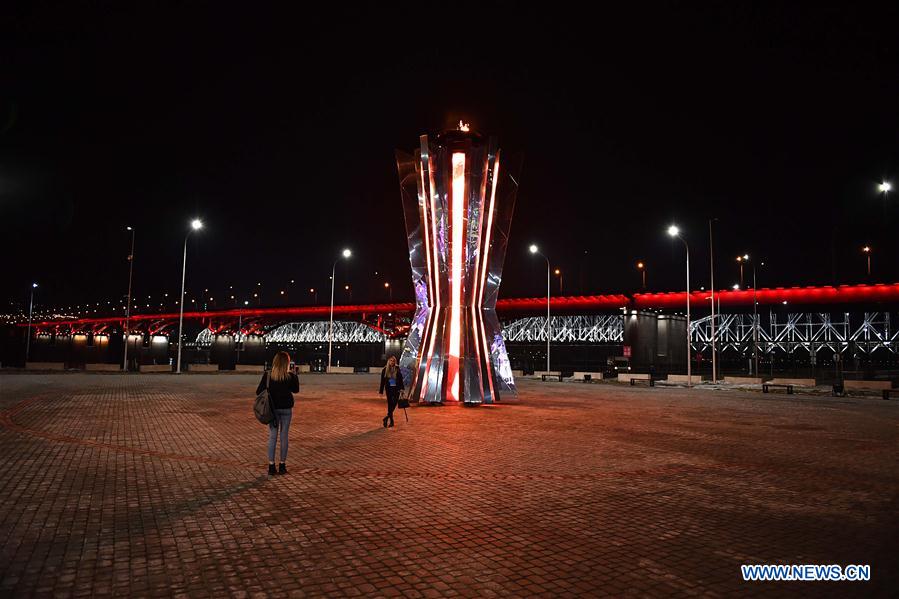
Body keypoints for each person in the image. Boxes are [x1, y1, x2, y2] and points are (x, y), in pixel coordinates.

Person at [256, 351, 299, 475]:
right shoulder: (290, 376)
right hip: (286, 409)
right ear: (287, 363)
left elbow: (258, 391)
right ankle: (282, 465)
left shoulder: (268, 375)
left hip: (273, 409)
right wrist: (295, 375)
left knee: (273, 436)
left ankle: (271, 466)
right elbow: (296, 390)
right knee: (284, 436)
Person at [378, 355, 405, 428]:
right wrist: (381, 391)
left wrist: (402, 388)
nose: (392, 362)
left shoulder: (397, 368)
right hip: (389, 389)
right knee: (390, 405)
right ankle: (391, 421)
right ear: (388, 361)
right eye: (391, 360)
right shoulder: (385, 369)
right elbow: (382, 381)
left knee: (394, 403)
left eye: (393, 361)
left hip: (396, 389)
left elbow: (401, 379)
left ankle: (386, 417)